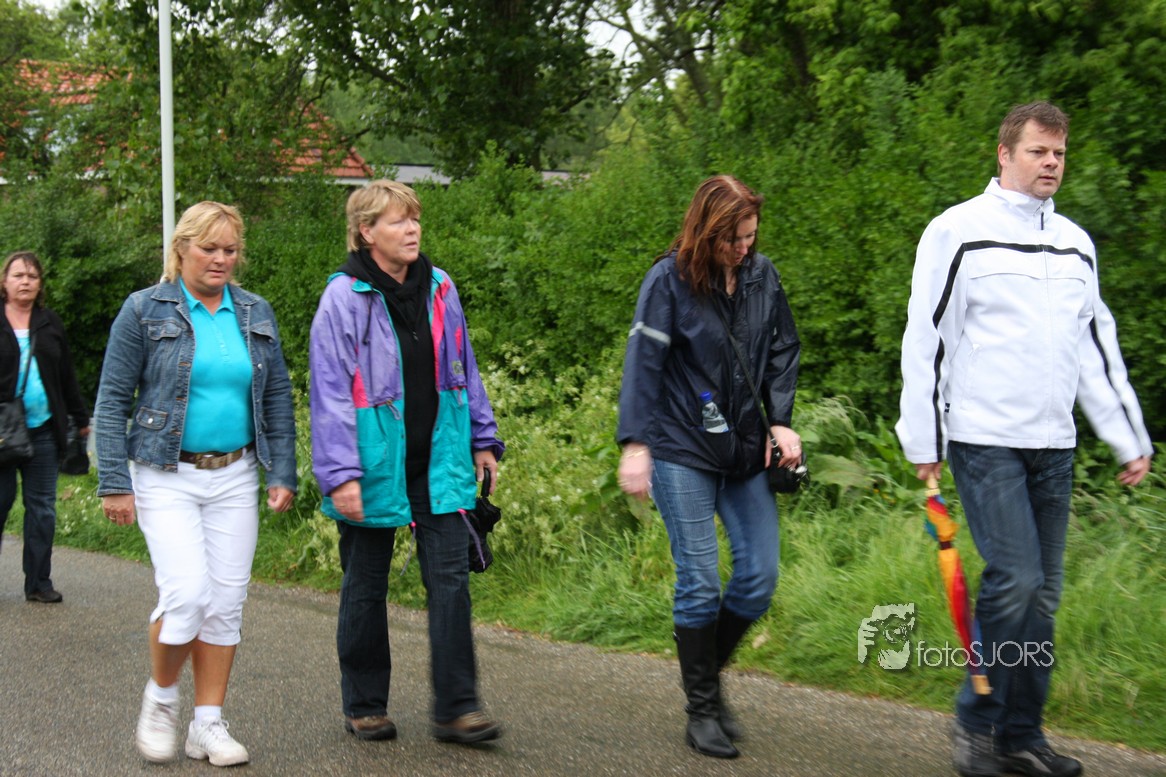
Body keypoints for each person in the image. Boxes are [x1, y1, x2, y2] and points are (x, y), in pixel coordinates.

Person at [896, 102, 1153, 777]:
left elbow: (1095, 348)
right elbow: (927, 337)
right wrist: (923, 435)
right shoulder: (957, 231)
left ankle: (1020, 735)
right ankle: (975, 724)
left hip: (1054, 445)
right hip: (984, 438)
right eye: (1039, 151)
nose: (1051, 163)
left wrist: (1128, 436)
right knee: (1016, 579)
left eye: (1059, 153)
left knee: (1043, 596)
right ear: (1005, 154)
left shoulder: (1074, 243)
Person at [94, 202, 297, 767]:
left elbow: (277, 397)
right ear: (181, 248)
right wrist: (114, 482)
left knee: (226, 604)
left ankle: (207, 724)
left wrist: (282, 471)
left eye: (230, 250)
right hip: (165, 474)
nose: (220, 259)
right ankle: (161, 699)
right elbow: (112, 401)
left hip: (235, 474)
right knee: (186, 594)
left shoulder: (255, 311)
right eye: (209, 248)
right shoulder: (143, 310)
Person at [309, 179, 505, 745]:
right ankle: (365, 705)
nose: (413, 229)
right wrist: (341, 474)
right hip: (372, 466)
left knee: (450, 582)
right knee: (366, 584)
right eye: (398, 221)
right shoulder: (344, 297)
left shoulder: (440, 287)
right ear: (366, 232)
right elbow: (329, 392)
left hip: (439, 460)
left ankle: (457, 709)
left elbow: (465, 366)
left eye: (415, 218)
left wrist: (483, 438)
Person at [617, 175, 801, 759]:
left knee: (760, 575)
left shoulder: (762, 276)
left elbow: (782, 350)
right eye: (734, 239)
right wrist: (635, 443)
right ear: (707, 232)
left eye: (751, 236)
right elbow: (644, 361)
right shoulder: (667, 281)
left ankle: (707, 681)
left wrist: (780, 420)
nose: (745, 248)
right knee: (698, 580)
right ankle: (701, 710)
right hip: (681, 448)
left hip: (744, 448)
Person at [0, 251, 90, 603]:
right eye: (18, 275)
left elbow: (66, 375)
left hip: (44, 431)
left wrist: (80, 418)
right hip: (2, 433)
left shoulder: (49, 322)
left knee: (42, 510)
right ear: (4, 281)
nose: (25, 281)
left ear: (40, 284)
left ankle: (38, 583)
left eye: (32, 276)